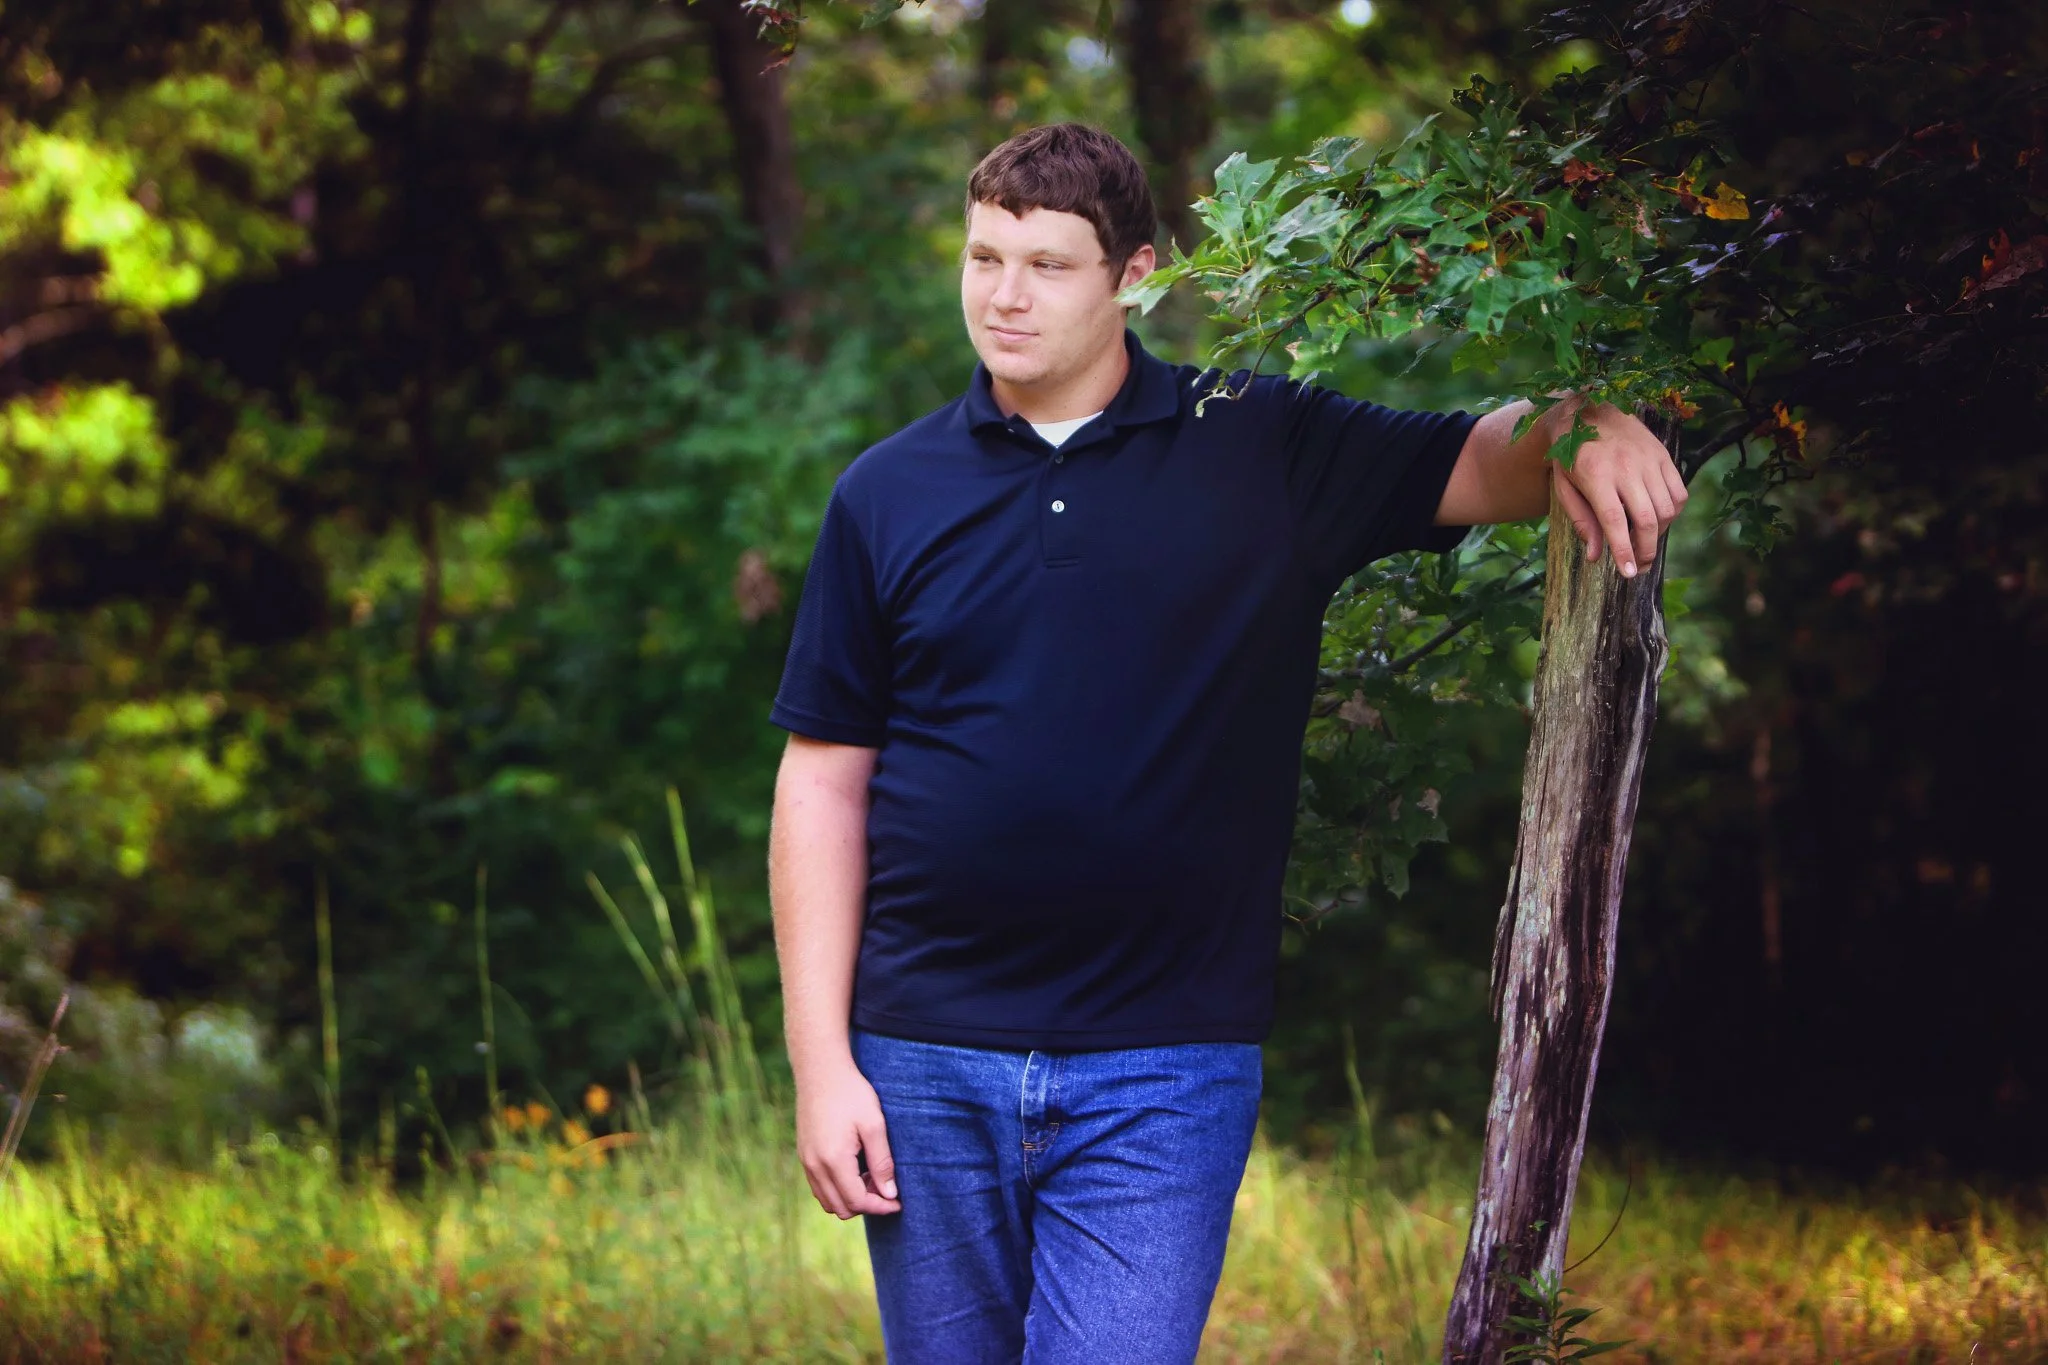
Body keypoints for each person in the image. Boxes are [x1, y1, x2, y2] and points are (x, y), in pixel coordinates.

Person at [765, 123, 1685, 1364]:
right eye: (983, 258)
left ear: (1133, 273)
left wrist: (1583, 422)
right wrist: (823, 1067)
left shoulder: (1261, 446)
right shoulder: (884, 492)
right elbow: (822, 783)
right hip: (922, 1059)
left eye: (1048, 264)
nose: (1004, 295)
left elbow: (1481, 457)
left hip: (1163, 1066)